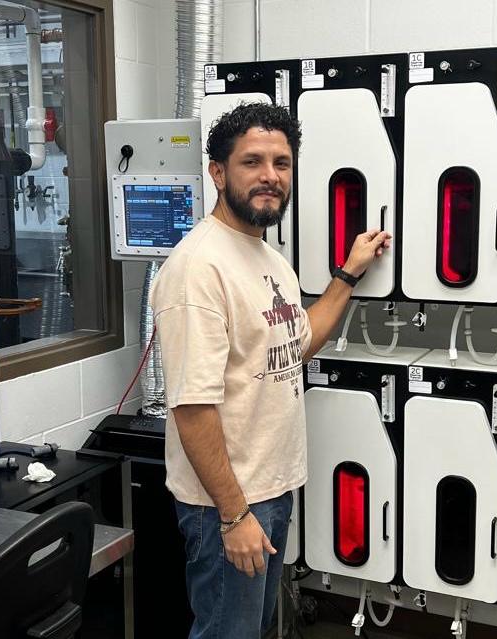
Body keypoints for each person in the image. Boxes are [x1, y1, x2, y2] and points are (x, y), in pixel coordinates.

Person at [151, 102, 391, 639]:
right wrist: (234, 515)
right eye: (252, 162)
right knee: (227, 632)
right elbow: (192, 408)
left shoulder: (268, 259)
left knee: (249, 629)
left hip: (269, 490)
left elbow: (296, 343)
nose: (270, 176)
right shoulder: (197, 269)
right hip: (226, 503)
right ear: (217, 172)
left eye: (281, 163)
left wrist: (348, 274)